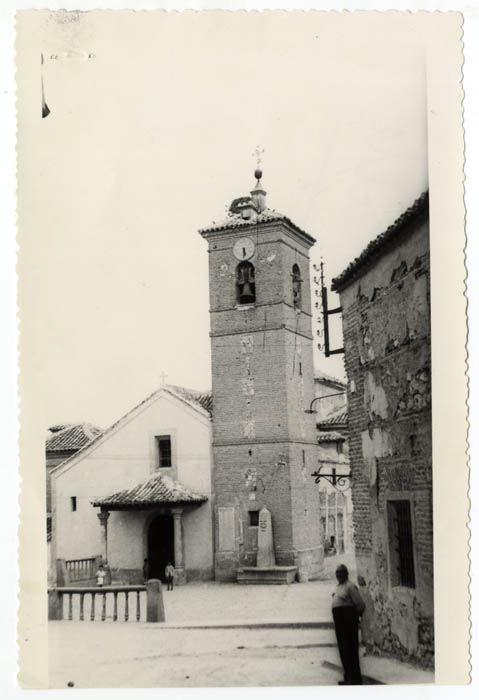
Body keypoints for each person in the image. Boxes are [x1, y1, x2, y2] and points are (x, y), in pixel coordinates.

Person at [331, 564, 365, 685]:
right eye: (337, 573)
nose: (339, 575)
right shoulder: (338, 587)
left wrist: (354, 618)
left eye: (341, 573)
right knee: (343, 650)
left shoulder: (350, 586)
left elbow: (360, 605)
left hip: (348, 623)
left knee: (350, 650)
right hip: (340, 624)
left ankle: (355, 679)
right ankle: (348, 678)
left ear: (346, 574)